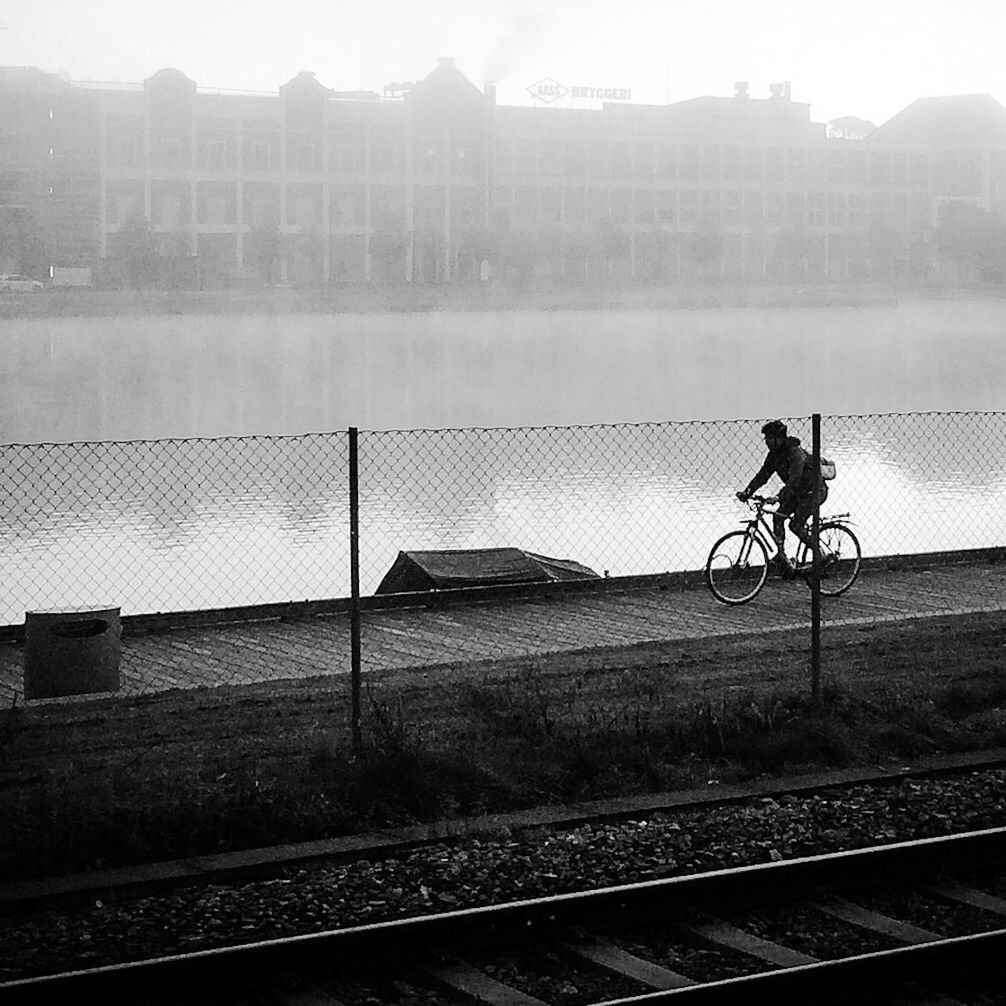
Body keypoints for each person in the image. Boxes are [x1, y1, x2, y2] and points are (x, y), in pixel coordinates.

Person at [736, 420, 828, 578]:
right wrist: (748, 492)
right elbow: (763, 475)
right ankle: (782, 558)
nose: (766, 442)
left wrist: (778, 497)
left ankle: (821, 554)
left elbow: (795, 479)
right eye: (765, 439)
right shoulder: (774, 455)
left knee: (795, 525)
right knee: (778, 519)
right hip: (797, 492)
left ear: (779, 439)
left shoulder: (794, 453)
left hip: (814, 491)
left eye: (769, 438)